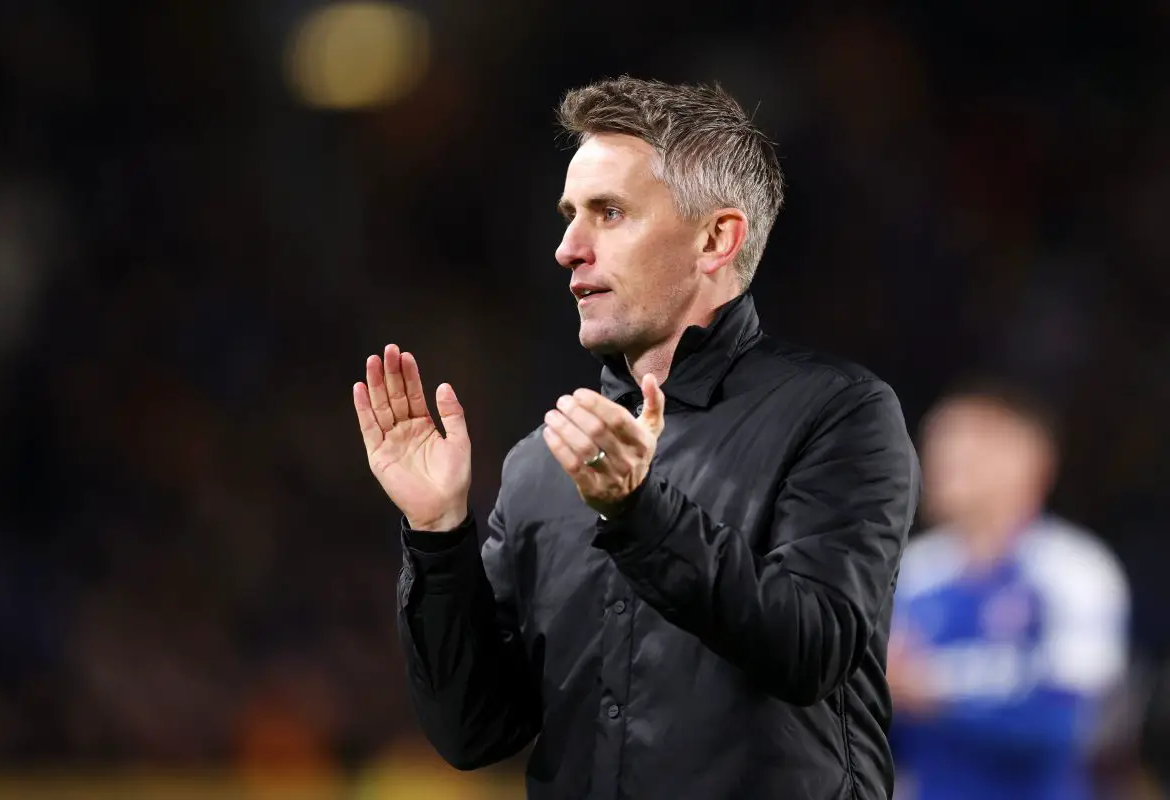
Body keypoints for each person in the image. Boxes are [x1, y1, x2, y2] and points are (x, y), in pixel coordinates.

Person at [353, 76, 920, 799]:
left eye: (608, 213)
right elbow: (475, 733)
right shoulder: (540, 465)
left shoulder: (840, 414)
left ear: (717, 238)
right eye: (568, 216)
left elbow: (813, 649)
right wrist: (437, 537)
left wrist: (640, 513)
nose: (566, 248)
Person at [889, 381, 1130, 800]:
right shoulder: (911, 573)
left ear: (1030, 460)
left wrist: (930, 694)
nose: (946, 459)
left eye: (972, 446)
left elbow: (1074, 725)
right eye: (938, 443)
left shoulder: (1074, 571)